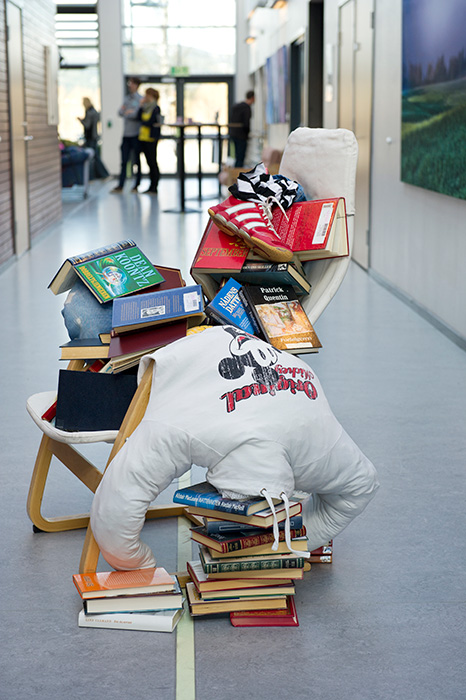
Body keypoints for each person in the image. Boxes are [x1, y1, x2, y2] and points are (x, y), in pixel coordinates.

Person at [90, 325, 379, 571]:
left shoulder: (183, 428)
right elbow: (361, 487)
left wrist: (138, 563)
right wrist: (298, 542)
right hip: (186, 350)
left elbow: (115, 509)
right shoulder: (183, 427)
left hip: (245, 355)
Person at [111, 77, 143, 194]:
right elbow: (120, 112)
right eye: (129, 83)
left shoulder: (140, 99)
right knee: (124, 161)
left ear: (136, 85)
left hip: (136, 134)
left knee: (137, 161)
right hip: (126, 135)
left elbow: (135, 115)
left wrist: (128, 112)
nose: (130, 86)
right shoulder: (126, 99)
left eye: (132, 84)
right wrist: (128, 112)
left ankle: (136, 185)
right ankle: (121, 185)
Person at [133, 88, 162, 195]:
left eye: (148, 95)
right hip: (142, 138)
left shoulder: (156, 108)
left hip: (151, 139)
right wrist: (140, 106)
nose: (146, 97)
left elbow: (150, 122)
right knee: (144, 162)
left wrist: (144, 122)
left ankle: (154, 186)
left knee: (152, 162)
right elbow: (139, 117)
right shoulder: (145, 108)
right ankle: (148, 186)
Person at [229, 90, 255, 167]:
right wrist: (247, 133)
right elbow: (246, 123)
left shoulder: (236, 106)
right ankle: (238, 175)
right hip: (242, 136)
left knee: (237, 157)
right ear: (253, 98)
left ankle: (235, 175)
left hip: (233, 134)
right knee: (241, 158)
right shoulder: (246, 108)